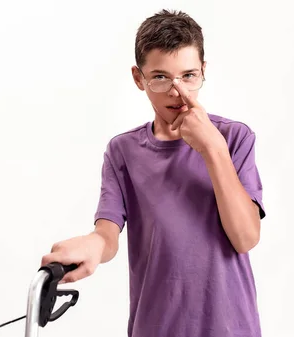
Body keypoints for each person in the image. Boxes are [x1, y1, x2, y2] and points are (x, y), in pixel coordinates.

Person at [41, 9, 266, 337]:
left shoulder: (234, 139)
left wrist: (213, 150)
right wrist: (92, 245)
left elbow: (245, 238)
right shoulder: (123, 152)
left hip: (230, 328)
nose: (178, 91)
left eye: (188, 75)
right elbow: (107, 235)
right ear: (139, 78)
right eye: (161, 77)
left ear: (203, 71)